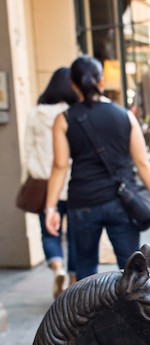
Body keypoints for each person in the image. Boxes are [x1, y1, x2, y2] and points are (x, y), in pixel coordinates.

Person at [44, 56, 150, 280]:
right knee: (131, 269)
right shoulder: (125, 116)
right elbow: (142, 162)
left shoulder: (65, 119)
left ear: (73, 85)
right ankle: (131, 314)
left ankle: (89, 315)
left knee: (85, 269)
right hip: (121, 201)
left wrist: (51, 208)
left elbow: (59, 166)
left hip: (83, 201)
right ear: (101, 81)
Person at [25, 67, 78, 297]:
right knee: (75, 233)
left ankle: (58, 267)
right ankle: (75, 279)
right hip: (72, 183)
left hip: (45, 184)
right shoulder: (74, 113)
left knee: (49, 233)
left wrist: (32, 176)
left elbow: (28, 151)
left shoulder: (36, 114)